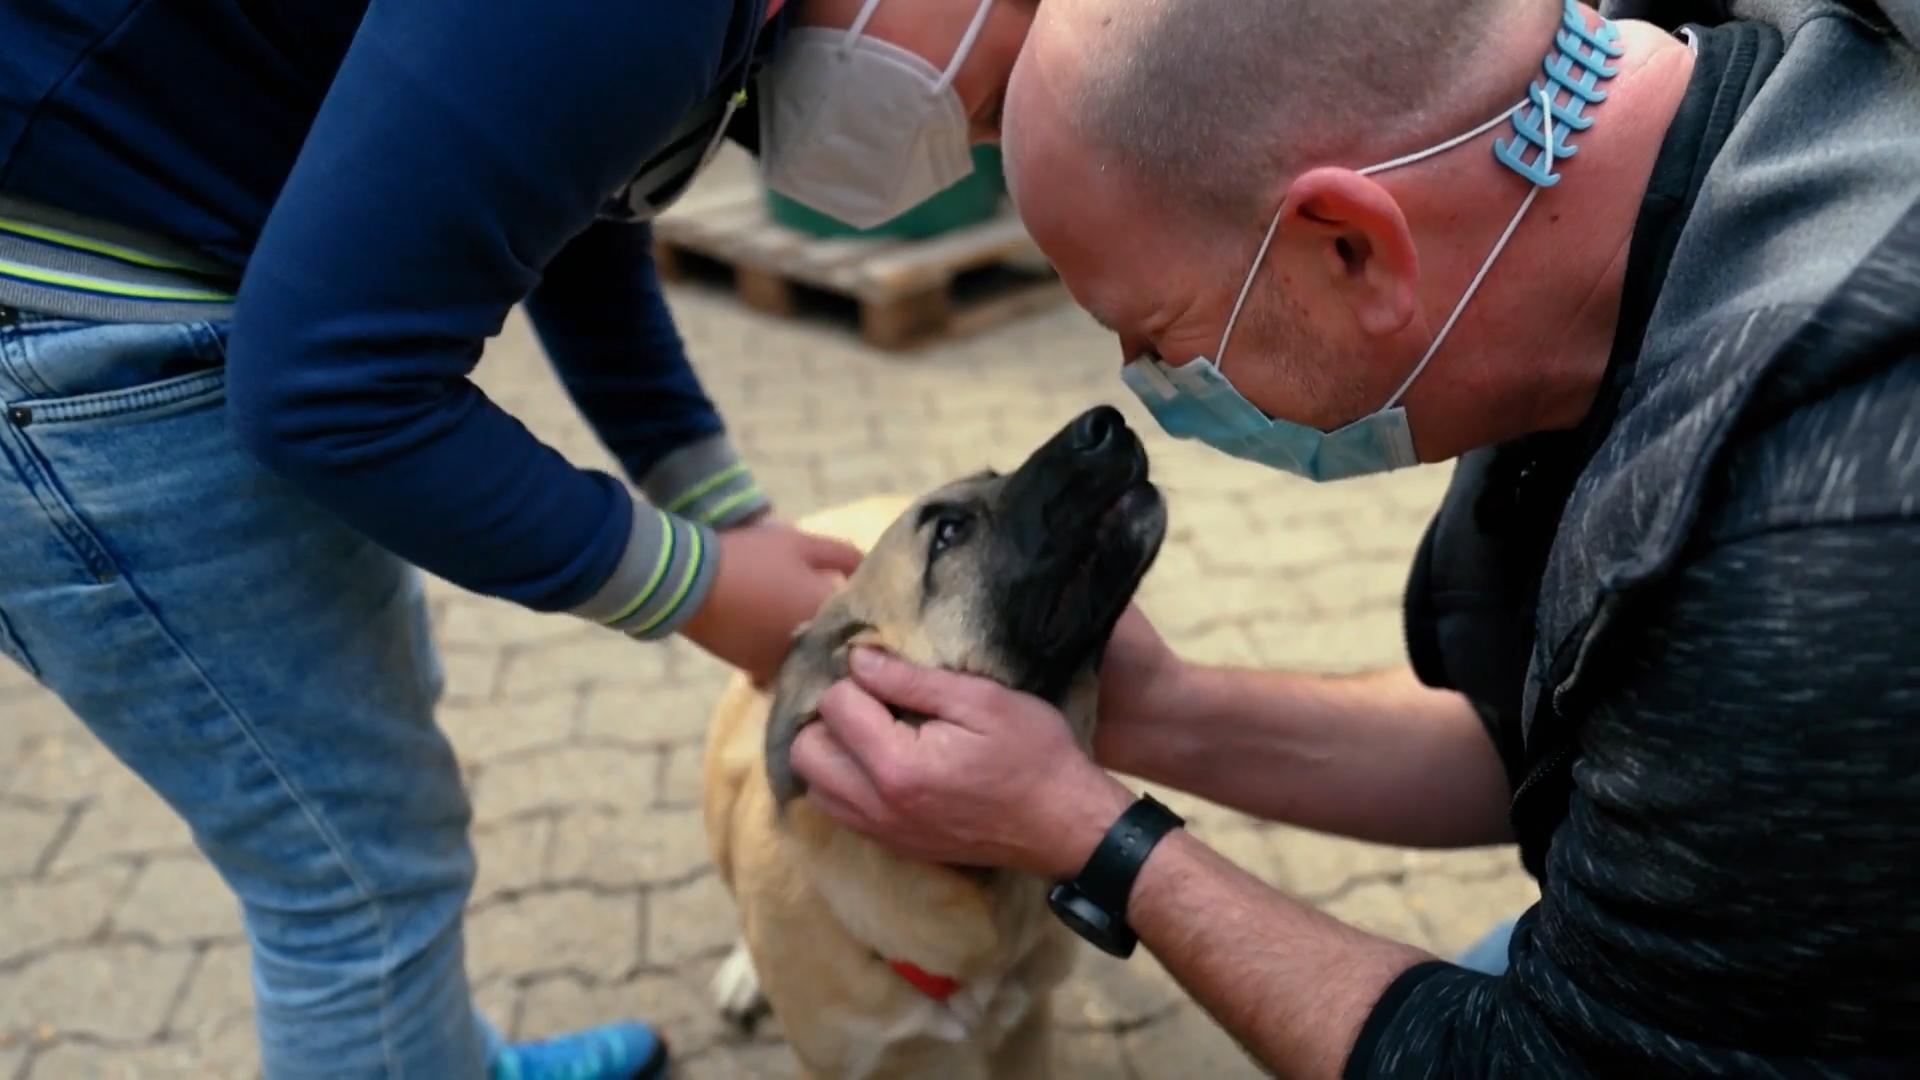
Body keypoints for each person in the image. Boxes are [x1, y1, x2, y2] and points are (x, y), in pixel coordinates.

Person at [790, 0, 1920, 1075]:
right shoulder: (1679, 155)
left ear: (1350, 248)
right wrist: (1159, 714)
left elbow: (1550, 1063)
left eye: (1158, 338)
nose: (1150, 393)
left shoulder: (1794, 557)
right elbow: (1535, 748)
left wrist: (1101, 839)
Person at [0, 0, 1034, 1076]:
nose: (977, 140)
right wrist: (698, 581)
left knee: (380, 777)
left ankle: (439, 1058)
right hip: (83, 335)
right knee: (352, 881)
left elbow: (555, 179)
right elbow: (328, 393)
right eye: (999, 100)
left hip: (116, 277)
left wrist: (715, 499)